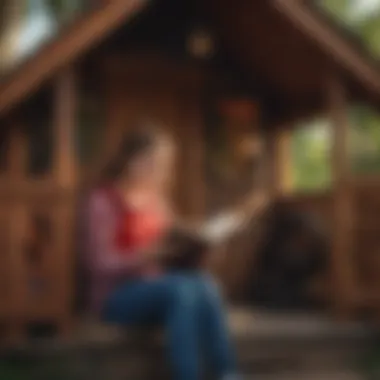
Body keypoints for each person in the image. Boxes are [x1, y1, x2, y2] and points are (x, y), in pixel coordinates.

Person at [82, 122, 240, 380]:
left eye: (165, 164)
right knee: (182, 290)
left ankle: (227, 374)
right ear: (132, 160)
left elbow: (173, 244)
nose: (162, 171)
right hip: (115, 297)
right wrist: (144, 256)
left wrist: (199, 249)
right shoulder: (103, 200)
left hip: (160, 287)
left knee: (205, 284)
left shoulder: (158, 201)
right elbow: (98, 263)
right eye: (154, 162)